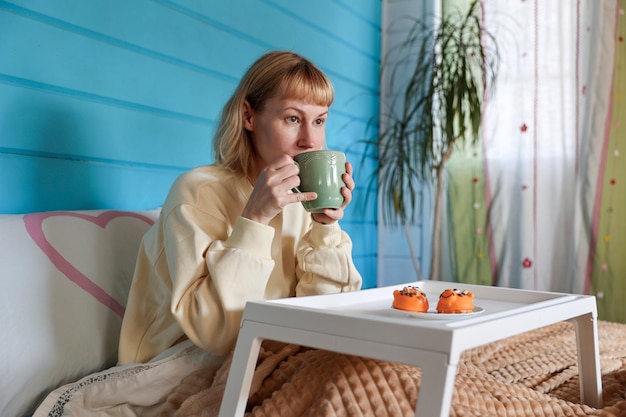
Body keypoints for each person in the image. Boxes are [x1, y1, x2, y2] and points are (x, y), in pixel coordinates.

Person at [118, 50, 363, 364]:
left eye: (319, 121)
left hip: (270, 359)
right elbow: (219, 335)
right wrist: (256, 218)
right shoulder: (197, 192)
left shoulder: (300, 201)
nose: (310, 140)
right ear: (249, 116)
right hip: (180, 367)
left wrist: (325, 229)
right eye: (292, 118)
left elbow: (326, 319)